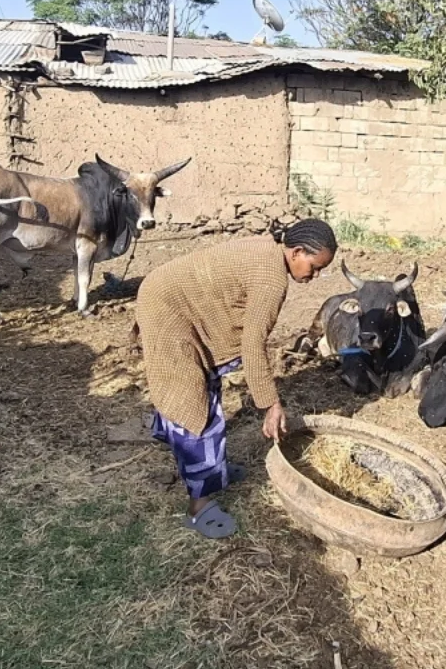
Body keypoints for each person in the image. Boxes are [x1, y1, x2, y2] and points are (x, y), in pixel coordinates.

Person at [134, 218, 338, 538]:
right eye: (314, 267)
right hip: (166, 308)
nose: (314, 276)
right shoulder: (272, 278)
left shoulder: (269, 250)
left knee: (205, 382)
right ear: (297, 251)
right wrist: (271, 404)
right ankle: (198, 508)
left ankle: (212, 466)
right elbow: (253, 344)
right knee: (194, 406)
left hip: (166, 293)